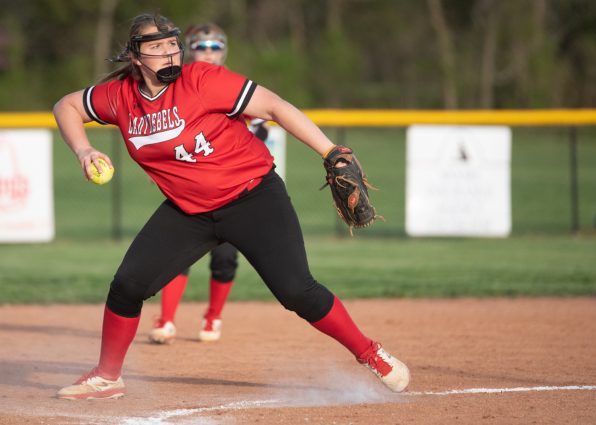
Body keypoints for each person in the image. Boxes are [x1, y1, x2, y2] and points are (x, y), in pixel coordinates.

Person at [53, 13, 410, 400]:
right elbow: (67, 106)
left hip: (253, 197)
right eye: (156, 48)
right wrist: (84, 150)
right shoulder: (120, 96)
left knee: (297, 292)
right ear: (135, 57)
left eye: (173, 45)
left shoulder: (202, 79)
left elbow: (274, 107)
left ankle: (369, 352)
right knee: (126, 286)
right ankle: (108, 377)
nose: (169, 54)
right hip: (189, 211)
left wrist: (331, 151)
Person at [148, 23, 269, 345]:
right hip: (190, 184)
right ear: (188, 49)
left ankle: (213, 317)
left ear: (224, 50)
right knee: (177, 253)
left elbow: (262, 123)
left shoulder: (232, 83)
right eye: (201, 46)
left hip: (230, 187)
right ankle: (166, 319)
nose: (208, 52)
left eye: (215, 47)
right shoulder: (177, 83)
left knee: (225, 256)